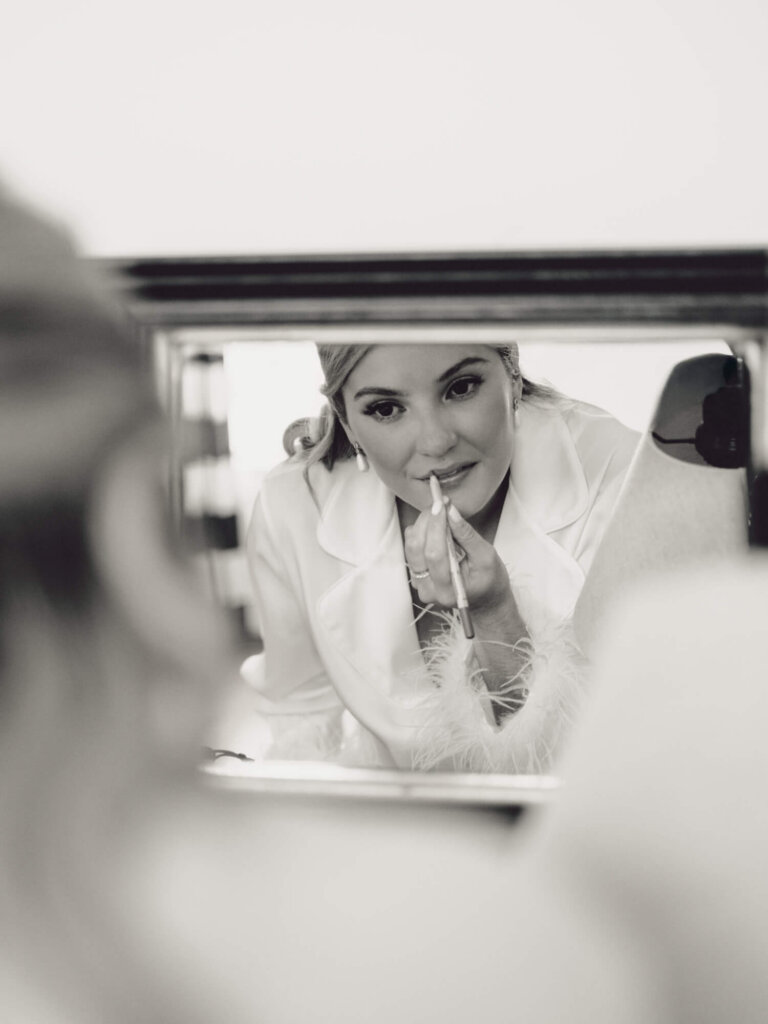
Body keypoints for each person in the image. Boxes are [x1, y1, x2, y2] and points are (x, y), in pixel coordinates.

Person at [243, 341, 640, 771]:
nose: (435, 442)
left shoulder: (622, 475)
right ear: (347, 421)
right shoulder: (293, 505)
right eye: (385, 409)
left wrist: (496, 616)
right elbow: (301, 721)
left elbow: (616, 761)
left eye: (461, 387)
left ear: (511, 372)